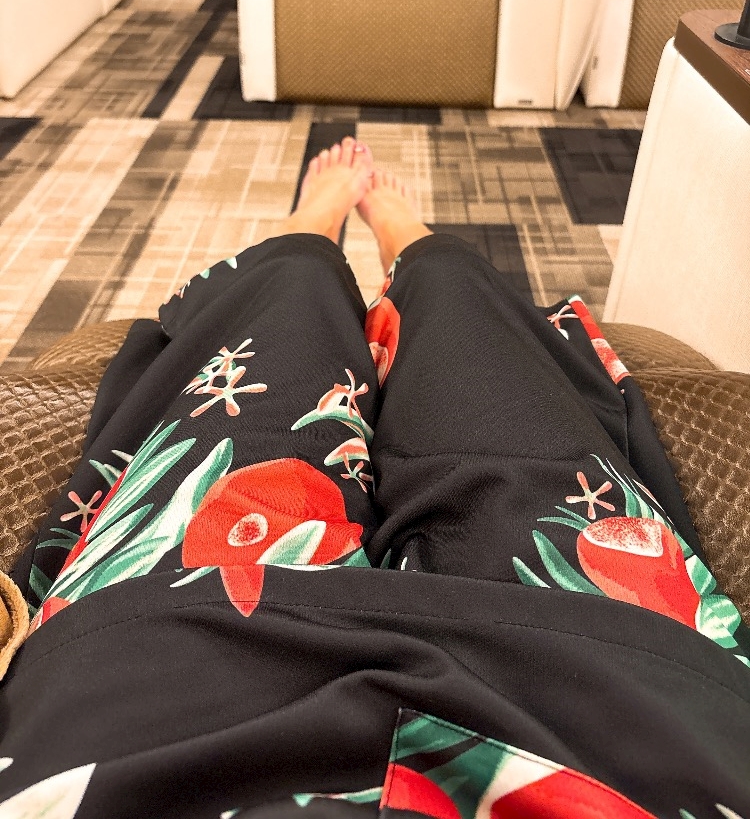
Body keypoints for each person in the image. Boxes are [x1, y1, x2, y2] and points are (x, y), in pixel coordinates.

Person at [0, 138, 748, 818]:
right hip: (620, 680)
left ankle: (311, 239)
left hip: (148, 660)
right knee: (464, 310)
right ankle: (411, 248)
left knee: (285, 313)